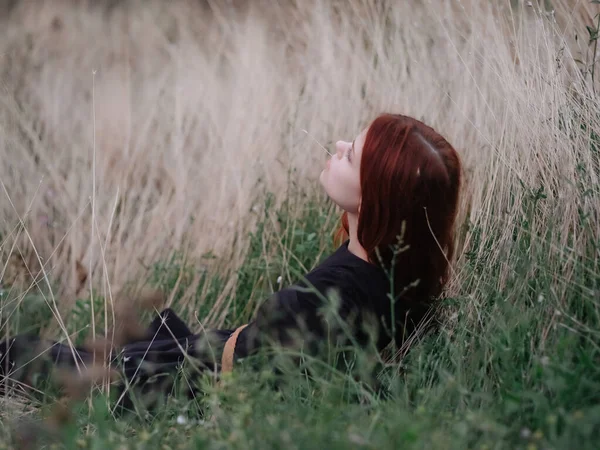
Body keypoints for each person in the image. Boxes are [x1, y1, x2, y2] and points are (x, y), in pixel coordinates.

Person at [0, 113, 462, 413]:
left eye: (352, 155)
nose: (339, 145)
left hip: (185, 387)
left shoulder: (335, 295)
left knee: (30, 359)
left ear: (377, 195)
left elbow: (256, 393)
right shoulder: (403, 276)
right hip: (207, 363)